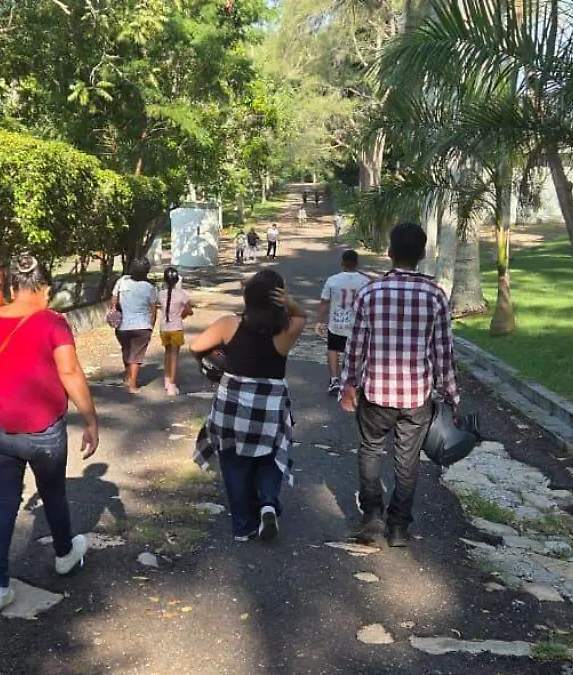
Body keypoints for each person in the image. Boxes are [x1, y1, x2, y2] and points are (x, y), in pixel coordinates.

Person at [0, 254, 99, 613]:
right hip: (44, 433)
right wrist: (90, 419)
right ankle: (65, 554)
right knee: (53, 494)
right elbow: (69, 373)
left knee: (4, 502)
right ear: (43, 286)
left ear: (11, 285)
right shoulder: (53, 322)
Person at [339, 223, 459, 548]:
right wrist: (451, 394)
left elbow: (355, 346)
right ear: (422, 255)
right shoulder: (435, 296)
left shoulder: (370, 293)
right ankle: (399, 527)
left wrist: (348, 384)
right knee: (407, 461)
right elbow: (443, 351)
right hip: (416, 395)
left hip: (375, 392)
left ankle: (372, 515)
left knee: (370, 451)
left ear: (390, 253)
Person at [189, 270, 307, 542]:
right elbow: (302, 316)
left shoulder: (229, 324)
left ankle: (244, 527)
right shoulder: (286, 331)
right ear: (278, 298)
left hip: (232, 405)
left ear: (248, 298)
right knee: (269, 457)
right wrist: (287, 302)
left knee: (234, 463)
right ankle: (267, 503)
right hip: (269, 407)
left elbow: (195, 346)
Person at [317, 250, 370, 396]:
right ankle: (354, 381)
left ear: (342, 263)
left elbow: (324, 302)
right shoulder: (366, 281)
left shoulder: (333, 280)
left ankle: (334, 379)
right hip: (357, 325)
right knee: (358, 352)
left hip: (337, 322)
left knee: (333, 349)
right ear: (357, 263)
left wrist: (320, 321)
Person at [112, 259, 157, 393]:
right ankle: (132, 386)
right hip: (142, 326)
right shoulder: (149, 288)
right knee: (136, 356)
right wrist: (151, 325)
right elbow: (153, 309)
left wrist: (115, 313)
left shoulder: (122, 282)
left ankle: (128, 377)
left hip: (122, 325)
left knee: (126, 350)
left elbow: (113, 301)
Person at [157, 267, 193, 396]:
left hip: (164, 328)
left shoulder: (161, 294)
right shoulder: (181, 294)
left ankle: (167, 380)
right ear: (177, 280)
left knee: (167, 354)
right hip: (176, 327)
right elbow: (189, 310)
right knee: (174, 356)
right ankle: (172, 384)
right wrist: (182, 313)